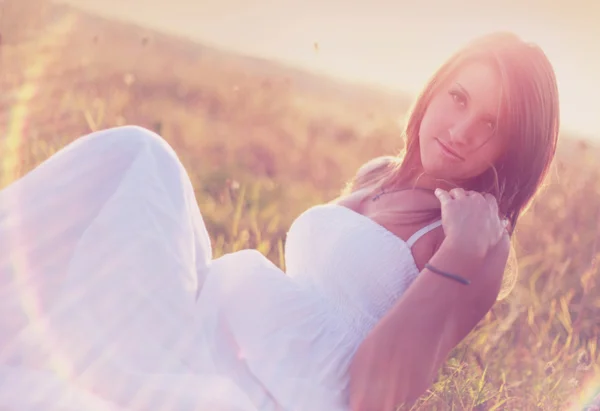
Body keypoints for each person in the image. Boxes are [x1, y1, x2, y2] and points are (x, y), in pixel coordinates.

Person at [0, 31, 559, 411]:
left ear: (512, 151)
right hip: (211, 329)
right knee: (134, 161)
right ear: (435, 88)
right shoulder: (379, 175)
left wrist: (459, 259)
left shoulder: (474, 242)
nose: (462, 130)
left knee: (138, 162)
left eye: (492, 125)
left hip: (264, 393)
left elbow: (373, 397)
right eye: (458, 98)